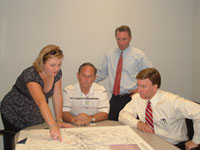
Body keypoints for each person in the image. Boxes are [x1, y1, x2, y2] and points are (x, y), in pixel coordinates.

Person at [0, 44, 71, 150]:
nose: (56, 69)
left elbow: (57, 96)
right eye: (52, 65)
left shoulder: (57, 73)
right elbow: (41, 102)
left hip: (33, 116)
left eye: (59, 64)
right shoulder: (31, 75)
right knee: (16, 144)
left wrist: (59, 120)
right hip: (14, 113)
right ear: (42, 63)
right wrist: (53, 126)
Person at [119, 68, 200, 150]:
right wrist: (138, 123)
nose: (138, 90)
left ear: (154, 87)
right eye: (138, 85)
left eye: (143, 86)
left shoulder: (172, 101)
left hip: (172, 144)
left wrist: (196, 141)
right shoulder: (138, 98)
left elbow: (198, 111)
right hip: (149, 142)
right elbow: (123, 115)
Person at [96, 25, 153, 121]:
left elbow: (151, 75)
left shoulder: (138, 55)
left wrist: (139, 89)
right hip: (115, 98)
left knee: (132, 126)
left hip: (132, 97)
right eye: (118, 39)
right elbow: (101, 73)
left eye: (124, 39)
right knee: (110, 124)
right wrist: (87, 81)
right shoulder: (110, 54)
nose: (121, 42)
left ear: (130, 38)